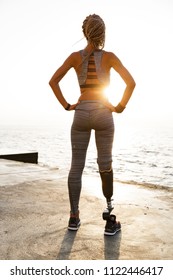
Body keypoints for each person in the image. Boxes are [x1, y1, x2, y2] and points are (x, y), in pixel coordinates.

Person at [49, 14, 136, 235]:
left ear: (85, 32)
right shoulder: (109, 57)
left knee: (76, 167)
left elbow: (53, 81)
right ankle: (109, 219)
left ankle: (73, 217)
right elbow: (131, 83)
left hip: (80, 114)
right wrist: (119, 107)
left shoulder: (74, 58)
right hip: (103, 114)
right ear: (102, 33)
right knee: (105, 164)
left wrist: (68, 106)